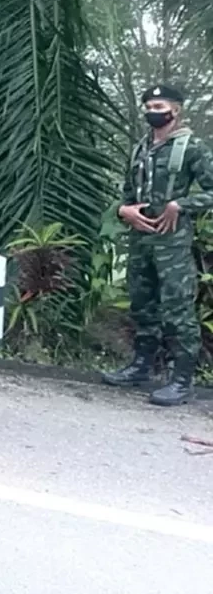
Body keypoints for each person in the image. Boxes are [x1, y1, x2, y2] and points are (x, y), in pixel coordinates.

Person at [102, 84, 213, 406]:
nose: (153, 110)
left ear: (175, 110)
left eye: (159, 105)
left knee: (177, 309)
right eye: (149, 105)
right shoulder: (141, 148)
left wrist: (180, 205)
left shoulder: (191, 148)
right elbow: (127, 193)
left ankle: (181, 380)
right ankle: (140, 367)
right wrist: (124, 211)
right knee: (142, 304)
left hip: (172, 243)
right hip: (141, 239)